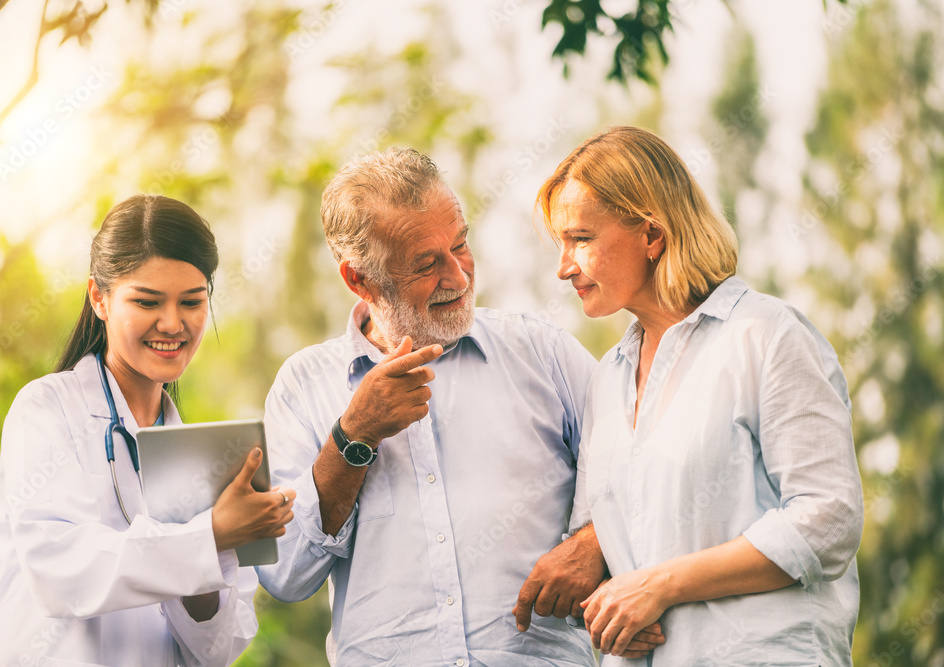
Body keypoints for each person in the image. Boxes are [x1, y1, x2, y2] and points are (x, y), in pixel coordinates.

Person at [255, 147, 665, 665]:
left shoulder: (543, 352)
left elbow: (648, 470)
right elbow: (287, 575)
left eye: (461, 245)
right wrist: (353, 437)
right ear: (358, 279)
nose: (459, 276)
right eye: (427, 264)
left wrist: (592, 542)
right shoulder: (304, 385)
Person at [536, 126, 865, 664]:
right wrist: (604, 607)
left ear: (652, 235)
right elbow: (613, 554)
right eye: (561, 243)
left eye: (582, 238)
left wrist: (660, 587)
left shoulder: (765, 335)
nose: (564, 266)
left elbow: (827, 519)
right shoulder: (608, 379)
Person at [0, 195, 296, 667]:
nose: (173, 323)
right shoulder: (47, 409)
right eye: (146, 301)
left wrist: (216, 555)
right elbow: (60, 573)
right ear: (99, 298)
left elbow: (221, 648)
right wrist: (208, 536)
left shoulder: (207, 454)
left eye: (192, 301)